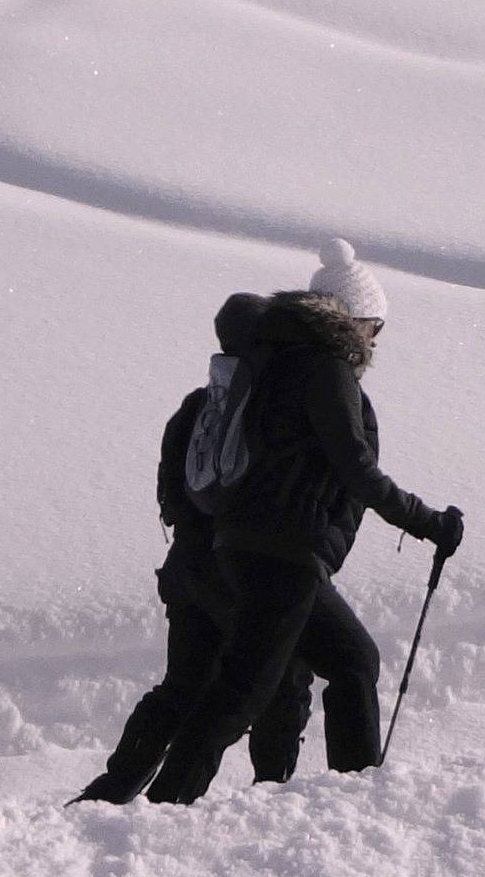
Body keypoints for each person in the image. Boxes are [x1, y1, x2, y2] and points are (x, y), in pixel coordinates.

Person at [143, 242, 464, 801]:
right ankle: (168, 802)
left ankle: (350, 793)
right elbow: (357, 468)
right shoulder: (323, 367)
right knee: (246, 688)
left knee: (349, 661)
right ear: (349, 317)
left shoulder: (278, 361)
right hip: (282, 552)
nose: (375, 338)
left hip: (253, 546)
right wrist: (428, 522)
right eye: (374, 325)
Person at [77, 296, 316, 802]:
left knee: (184, 686)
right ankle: (267, 797)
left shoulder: (196, 406)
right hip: (234, 572)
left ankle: (112, 790)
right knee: (282, 677)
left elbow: (171, 495)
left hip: (186, 570)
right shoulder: (263, 405)